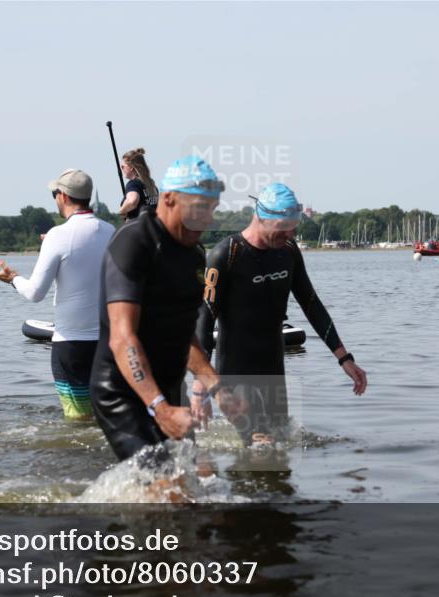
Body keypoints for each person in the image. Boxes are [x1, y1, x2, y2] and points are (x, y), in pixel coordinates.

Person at [193, 183, 367, 445]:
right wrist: (201, 387)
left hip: (273, 368)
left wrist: (345, 358)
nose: (291, 232)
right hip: (236, 372)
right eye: (284, 226)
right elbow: (204, 322)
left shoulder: (288, 251)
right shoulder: (226, 255)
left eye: (293, 226)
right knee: (261, 442)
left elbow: (311, 304)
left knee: (281, 449)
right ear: (262, 218)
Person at [90, 155, 230, 463]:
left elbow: (185, 335)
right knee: (163, 488)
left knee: (190, 486)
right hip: (122, 393)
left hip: (168, 391)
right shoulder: (134, 241)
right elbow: (122, 337)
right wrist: (160, 408)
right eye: (200, 208)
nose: (207, 220)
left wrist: (217, 387)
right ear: (168, 199)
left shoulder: (194, 255)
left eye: (212, 209)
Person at [0, 168, 114, 419]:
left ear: (64, 197)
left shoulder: (57, 236)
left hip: (70, 345)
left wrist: (13, 279)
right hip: (107, 345)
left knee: (78, 421)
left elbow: (36, 293)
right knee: (103, 420)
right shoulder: (111, 232)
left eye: (54, 194)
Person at [118, 148, 159, 221]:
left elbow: (132, 201)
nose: (121, 169)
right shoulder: (152, 184)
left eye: (122, 166)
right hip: (154, 227)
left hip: (139, 228)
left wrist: (122, 211)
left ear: (131, 167)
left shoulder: (133, 184)